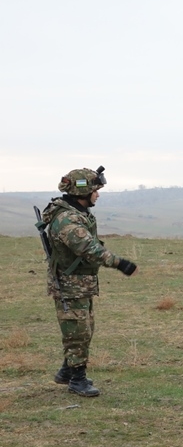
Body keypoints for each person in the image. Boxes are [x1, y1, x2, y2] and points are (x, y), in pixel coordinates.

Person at [39, 166, 137, 397]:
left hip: (79, 283)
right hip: (70, 284)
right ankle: (77, 380)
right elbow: (89, 248)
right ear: (82, 192)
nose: (98, 195)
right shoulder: (67, 219)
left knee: (82, 328)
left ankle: (67, 371)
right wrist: (119, 263)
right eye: (95, 190)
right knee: (77, 331)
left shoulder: (76, 213)